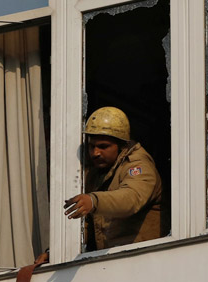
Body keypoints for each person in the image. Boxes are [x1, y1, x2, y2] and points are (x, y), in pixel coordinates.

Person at [64, 107, 163, 250]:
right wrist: (54, 253)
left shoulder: (138, 165)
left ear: (122, 145)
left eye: (103, 146)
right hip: (112, 260)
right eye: (92, 146)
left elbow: (132, 198)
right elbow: (84, 225)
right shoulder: (97, 173)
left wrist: (93, 201)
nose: (95, 153)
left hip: (145, 257)